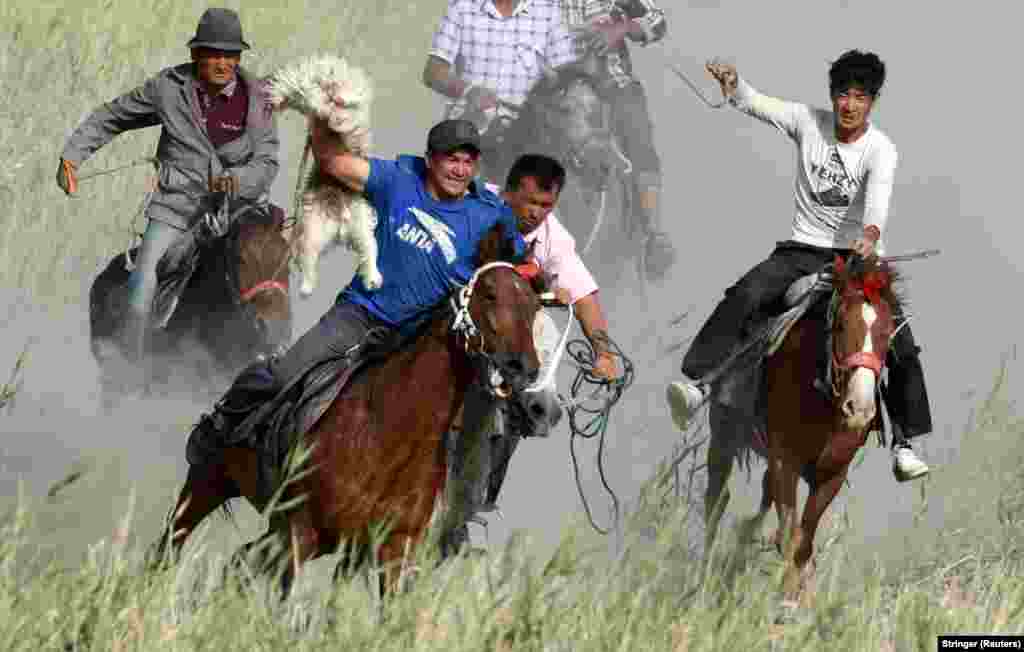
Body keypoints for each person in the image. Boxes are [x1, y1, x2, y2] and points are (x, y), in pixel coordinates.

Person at [186, 118, 527, 466]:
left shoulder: (487, 213)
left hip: (422, 338)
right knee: (284, 374)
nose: (460, 170)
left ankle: (454, 512)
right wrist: (320, 118)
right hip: (360, 316)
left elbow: (519, 266)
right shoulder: (396, 181)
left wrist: (548, 286)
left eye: (468, 162)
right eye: (451, 159)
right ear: (430, 159)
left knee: (472, 421)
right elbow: (333, 163)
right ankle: (220, 424)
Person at [665, 50, 931, 482]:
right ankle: (701, 383)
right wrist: (734, 85)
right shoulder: (808, 122)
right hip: (800, 251)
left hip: (856, 257)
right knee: (747, 295)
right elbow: (757, 103)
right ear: (832, 96)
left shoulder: (881, 149)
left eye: (860, 97)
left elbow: (877, 203)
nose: (848, 105)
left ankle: (904, 442)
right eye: (842, 95)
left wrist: (870, 235)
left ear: (872, 102)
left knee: (897, 336)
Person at [56, 8, 280, 362]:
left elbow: (266, 162)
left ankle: (275, 363)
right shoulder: (167, 89)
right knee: (143, 280)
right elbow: (112, 116)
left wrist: (237, 182)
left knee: (272, 272)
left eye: (231, 54)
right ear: (195, 54)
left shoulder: (260, 97)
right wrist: (72, 156)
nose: (223, 63)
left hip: (240, 209)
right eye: (214, 53)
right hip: (176, 209)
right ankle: (129, 370)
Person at [443, 153, 622, 552]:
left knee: (535, 403)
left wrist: (603, 351)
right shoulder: (473, 202)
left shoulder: (554, 237)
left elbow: (584, 292)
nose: (536, 214)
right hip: (446, 307)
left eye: (546, 206)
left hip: (504, 334)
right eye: (529, 203)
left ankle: (480, 506)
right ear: (507, 192)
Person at [560, 0, 676, 281]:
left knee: (637, 136)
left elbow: (656, 22)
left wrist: (620, 29)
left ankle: (652, 234)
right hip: (554, 88)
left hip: (612, 83)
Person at [421, 0, 577, 177]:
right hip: (472, 126)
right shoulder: (462, 7)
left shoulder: (548, 9)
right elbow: (433, 71)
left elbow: (567, 75)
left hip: (530, 131)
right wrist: (470, 91)